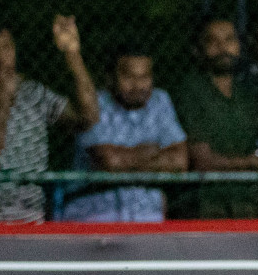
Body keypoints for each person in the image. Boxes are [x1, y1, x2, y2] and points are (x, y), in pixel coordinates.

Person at [175, 18, 258, 219]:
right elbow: (202, 160)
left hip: (248, 201)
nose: (223, 48)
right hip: (207, 202)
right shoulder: (191, 89)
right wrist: (250, 163)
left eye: (229, 40)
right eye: (213, 41)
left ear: (238, 46)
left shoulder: (248, 90)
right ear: (200, 48)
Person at [61, 47, 186, 223]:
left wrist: (125, 158)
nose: (138, 85)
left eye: (144, 77)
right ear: (110, 78)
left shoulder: (159, 100)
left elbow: (179, 161)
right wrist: (152, 153)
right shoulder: (93, 105)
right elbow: (109, 162)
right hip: (95, 215)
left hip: (148, 213)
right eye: (128, 77)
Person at [0, 16, 101, 223]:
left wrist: (72, 55)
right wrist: (3, 98)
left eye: (6, 47)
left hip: (31, 221)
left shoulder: (32, 93)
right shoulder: (6, 94)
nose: (1, 57)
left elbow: (89, 117)